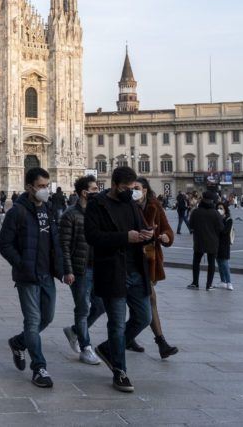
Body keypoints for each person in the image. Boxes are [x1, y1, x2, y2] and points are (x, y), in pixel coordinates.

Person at [83, 165, 154, 394]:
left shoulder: (131, 204)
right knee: (116, 324)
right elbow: (92, 237)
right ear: (114, 185)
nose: (130, 192)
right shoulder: (97, 205)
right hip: (113, 271)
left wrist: (146, 235)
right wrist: (125, 237)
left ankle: (108, 349)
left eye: (133, 188)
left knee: (144, 317)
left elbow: (140, 228)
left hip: (135, 270)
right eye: (126, 188)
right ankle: (120, 371)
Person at [0, 166, 65, 389]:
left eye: (47, 186)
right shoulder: (16, 211)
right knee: (33, 321)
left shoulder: (48, 209)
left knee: (47, 318)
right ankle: (39, 368)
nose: (45, 190)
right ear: (29, 187)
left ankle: (18, 342)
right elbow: (4, 243)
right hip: (27, 276)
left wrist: (63, 269)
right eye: (41, 187)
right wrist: (21, 264)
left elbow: (54, 242)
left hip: (47, 274)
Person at [128, 176, 178, 358]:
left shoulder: (154, 206)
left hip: (149, 260)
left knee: (144, 301)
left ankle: (130, 337)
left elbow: (167, 229)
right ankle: (161, 342)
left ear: (145, 190)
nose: (133, 190)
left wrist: (165, 236)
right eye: (131, 187)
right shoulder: (126, 206)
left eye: (137, 187)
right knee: (150, 300)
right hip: (131, 261)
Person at [59, 175, 104, 366]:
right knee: (83, 308)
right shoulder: (70, 214)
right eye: (94, 189)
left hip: (97, 268)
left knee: (100, 306)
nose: (98, 192)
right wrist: (68, 271)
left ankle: (75, 331)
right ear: (85, 193)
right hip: (80, 269)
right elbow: (64, 246)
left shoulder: (98, 213)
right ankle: (86, 348)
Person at [187, 190, 223, 290]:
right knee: (211, 263)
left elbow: (191, 226)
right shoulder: (216, 213)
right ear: (212, 201)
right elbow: (221, 228)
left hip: (199, 241)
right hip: (212, 241)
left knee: (196, 262)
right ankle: (209, 285)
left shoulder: (196, 212)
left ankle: (195, 283)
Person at [216, 200, 234, 290]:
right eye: (218, 208)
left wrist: (219, 221)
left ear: (225, 210)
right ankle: (223, 281)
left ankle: (229, 282)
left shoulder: (228, 219)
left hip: (224, 244)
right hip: (216, 243)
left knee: (225, 263)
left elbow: (224, 231)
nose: (219, 210)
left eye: (221, 208)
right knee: (219, 263)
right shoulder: (216, 219)